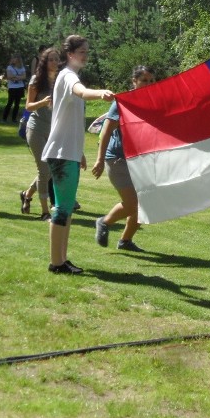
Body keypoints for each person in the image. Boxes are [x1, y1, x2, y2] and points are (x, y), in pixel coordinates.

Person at [41, 35, 114, 275]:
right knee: (62, 208)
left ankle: (62, 259)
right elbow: (81, 92)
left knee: (67, 208)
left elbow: (69, 122)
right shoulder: (68, 75)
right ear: (70, 54)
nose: (86, 55)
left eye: (86, 51)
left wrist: (79, 152)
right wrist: (100, 92)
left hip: (67, 152)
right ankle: (56, 263)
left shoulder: (68, 75)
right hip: (61, 153)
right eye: (82, 51)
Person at [92, 65, 157, 252]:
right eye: (144, 80)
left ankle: (125, 241)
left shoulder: (152, 101)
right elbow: (106, 131)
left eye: (151, 80)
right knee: (132, 203)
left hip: (139, 159)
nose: (149, 84)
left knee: (146, 204)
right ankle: (104, 222)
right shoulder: (122, 102)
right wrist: (99, 159)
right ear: (134, 82)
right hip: (118, 159)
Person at [19, 47, 60, 221]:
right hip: (35, 129)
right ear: (44, 62)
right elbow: (28, 106)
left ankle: (27, 195)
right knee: (44, 170)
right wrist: (42, 103)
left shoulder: (60, 80)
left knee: (48, 172)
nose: (54, 63)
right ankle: (45, 212)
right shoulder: (37, 80)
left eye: (57, 59)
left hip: (52, 130)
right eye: (51, 59)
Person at [2, 54, 27, 122]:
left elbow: (24, 76)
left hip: (20, 87)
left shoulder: (22, 68)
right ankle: (4, 118)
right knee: (9, 103)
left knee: (17, 104)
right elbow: (9, 76)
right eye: (12, 58)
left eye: (14, 58)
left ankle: (14, 119)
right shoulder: (9, 67)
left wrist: (15, 77)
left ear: (18, 59)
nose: (12, 59)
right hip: (12, 87)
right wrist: (19, 77)